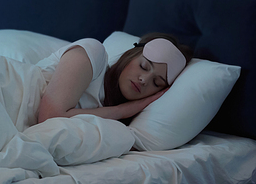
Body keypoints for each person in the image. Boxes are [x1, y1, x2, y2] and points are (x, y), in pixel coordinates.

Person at [37, 32, 193, 124]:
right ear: (130, 56)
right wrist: (121, 111)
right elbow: (49, 119)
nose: (144, 80)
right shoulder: (93, 54)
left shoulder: (113, 126)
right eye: (143, 66)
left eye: (156, 83)